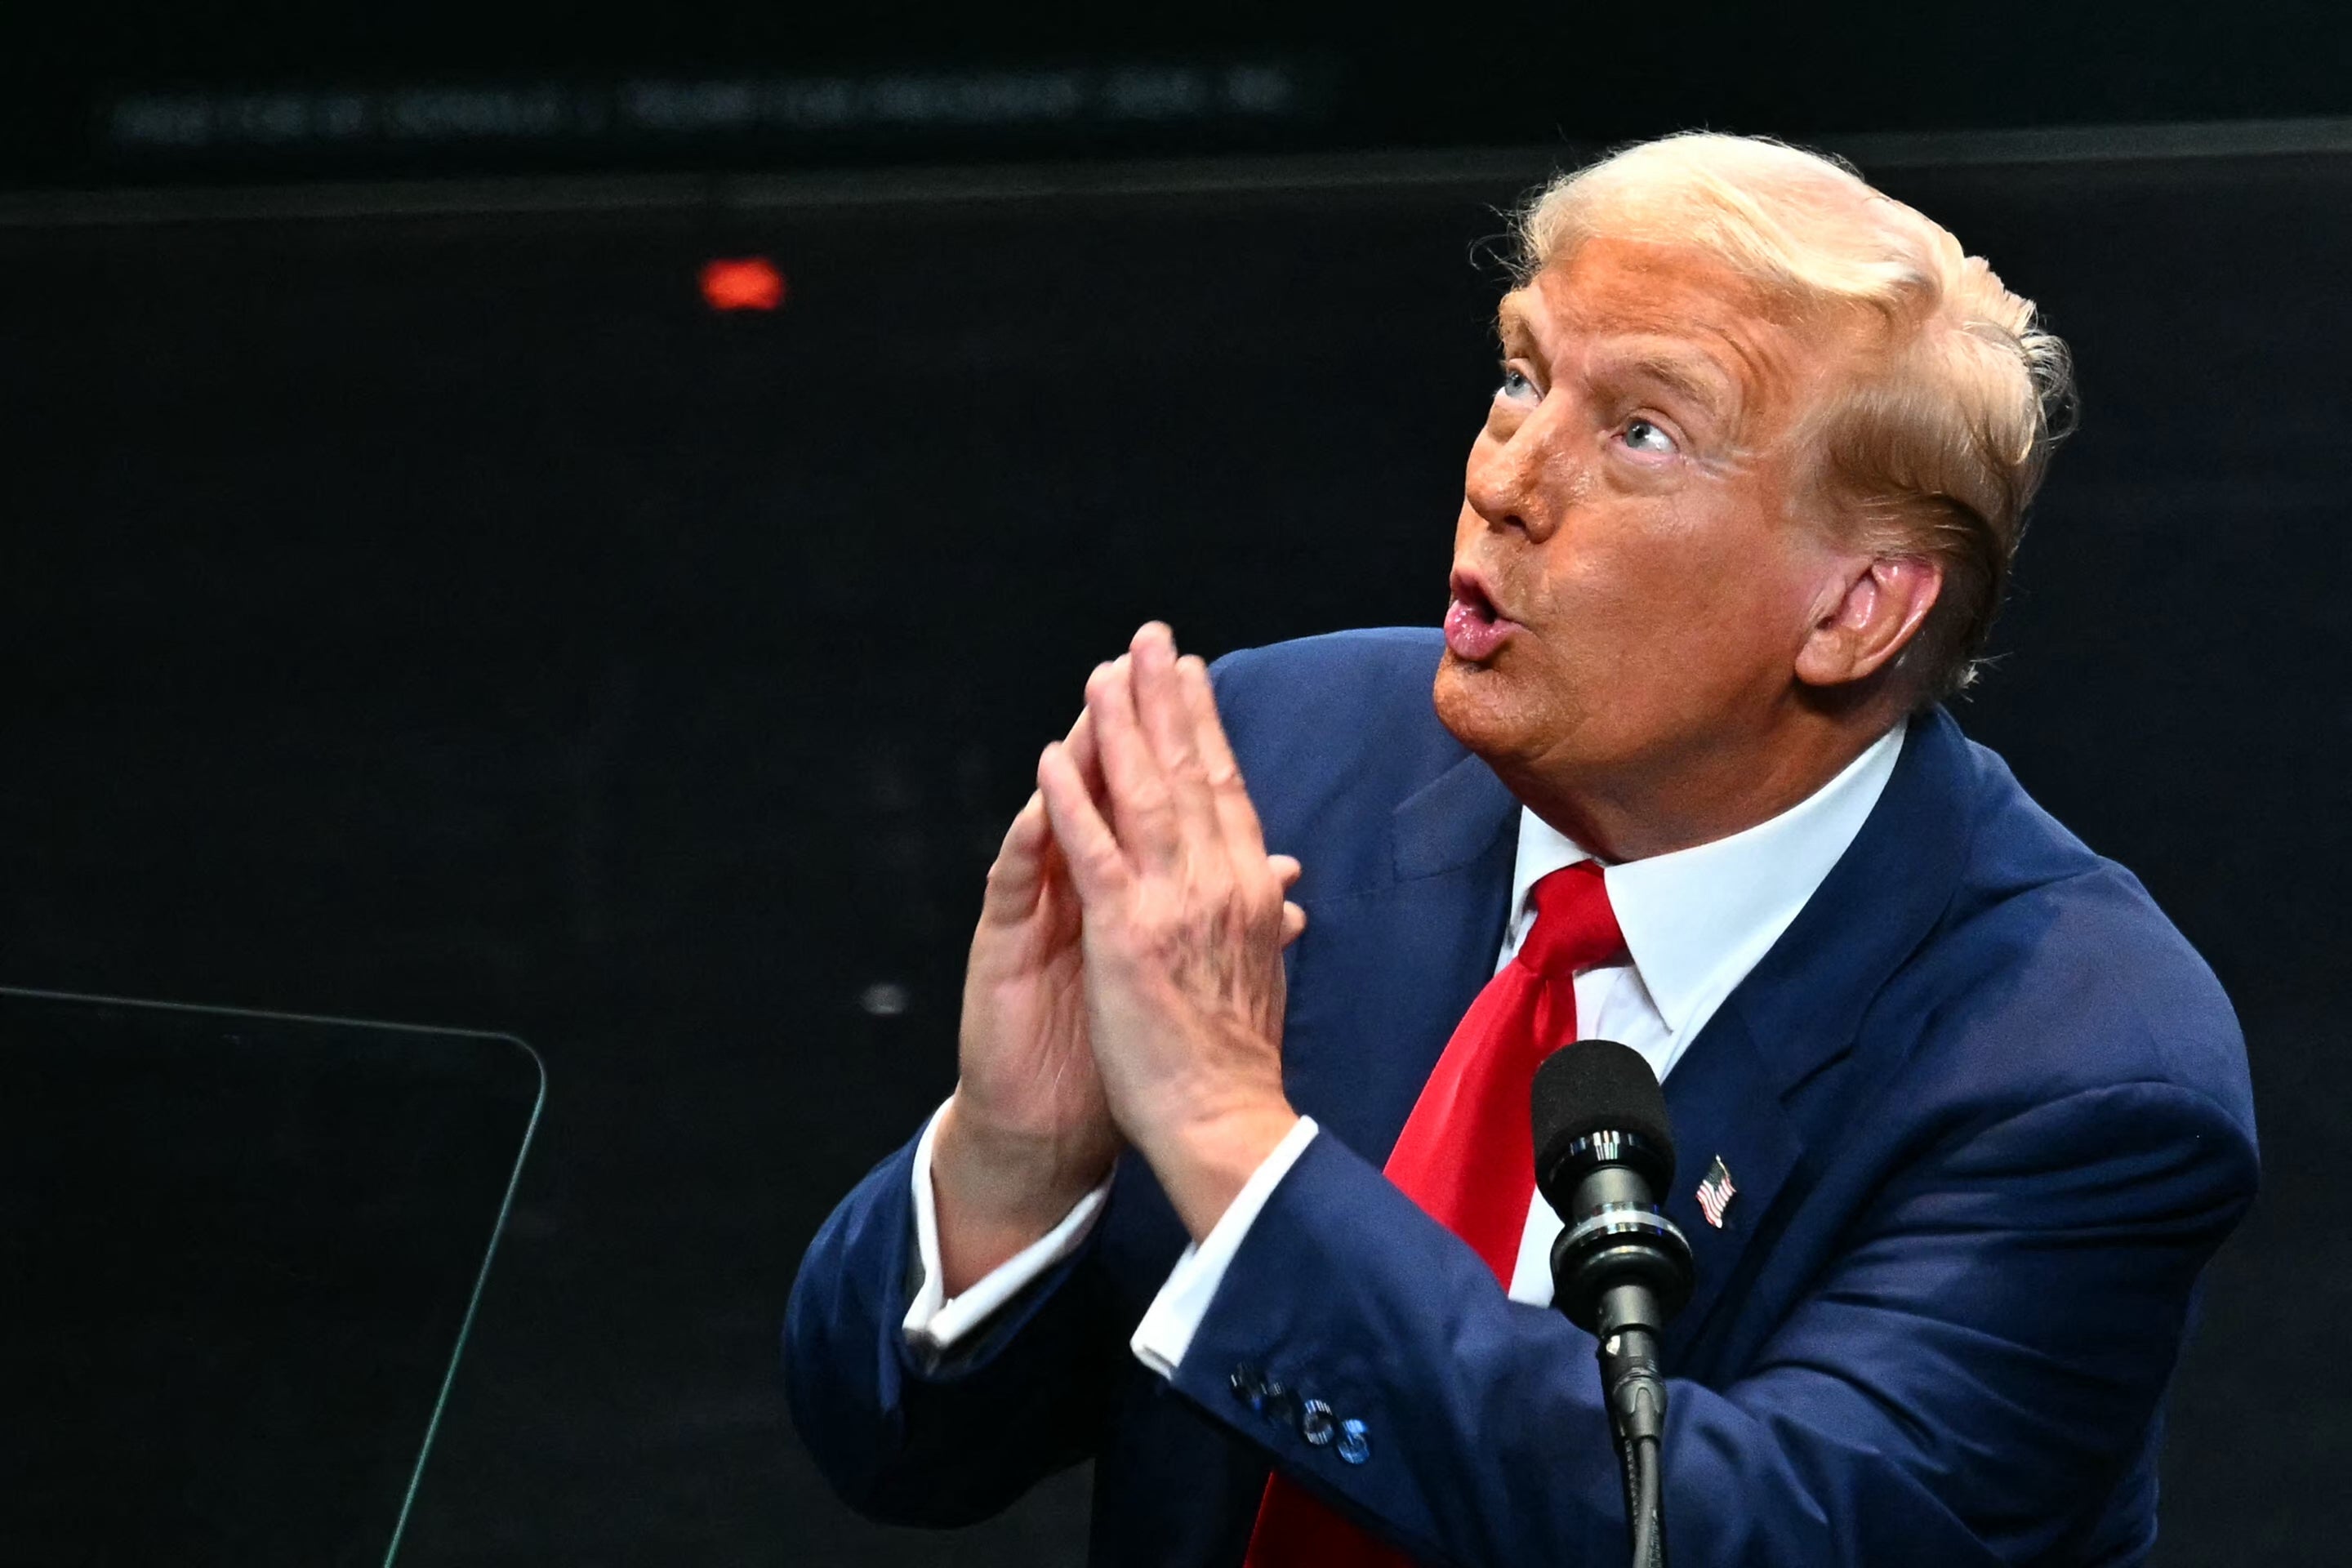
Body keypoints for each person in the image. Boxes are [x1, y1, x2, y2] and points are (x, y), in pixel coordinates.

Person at [783, 133, 2257, 1566]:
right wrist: (1014, 1160)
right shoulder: (1278, 763)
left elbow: (1754, 1531)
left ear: (1854, 611)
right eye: (1521, 372)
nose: (1507, 477)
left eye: (1641, 432)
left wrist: (1237, 1148)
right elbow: (891, 1448)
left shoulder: (2078, 1067)